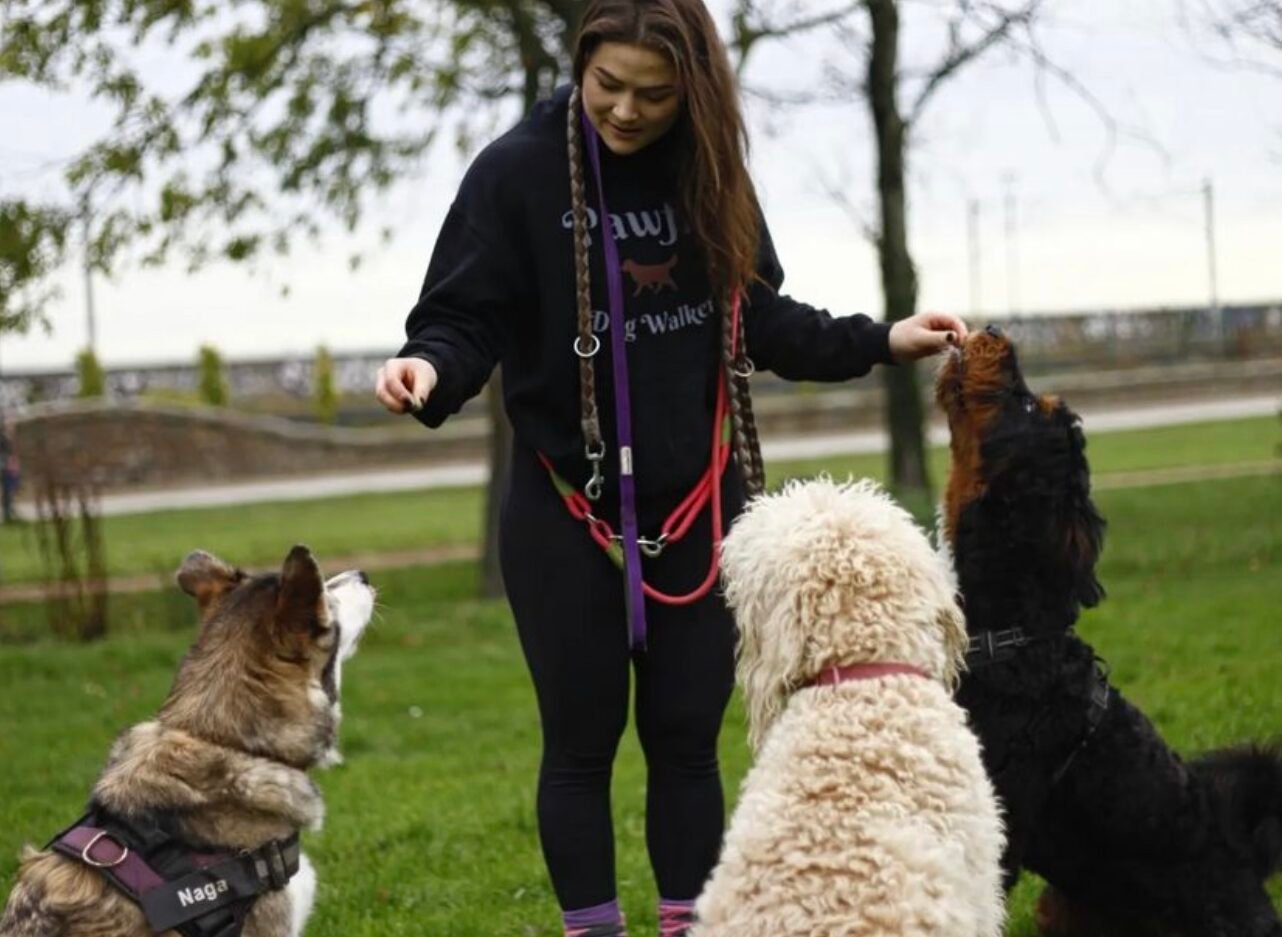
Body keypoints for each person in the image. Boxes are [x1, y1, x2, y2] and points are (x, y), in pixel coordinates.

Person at [375, 1, 967, 934]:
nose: (624, 111)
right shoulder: (517, 171)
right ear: (581, 66)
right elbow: (466, 316)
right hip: (566, 512)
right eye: (607, 86)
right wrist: (430, 367)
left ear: (692, 88)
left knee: (688, 742)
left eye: (653, 94)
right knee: (580, 745)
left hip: (698, 511)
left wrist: (881, 340)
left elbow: (760, 318)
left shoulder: (709, 168)